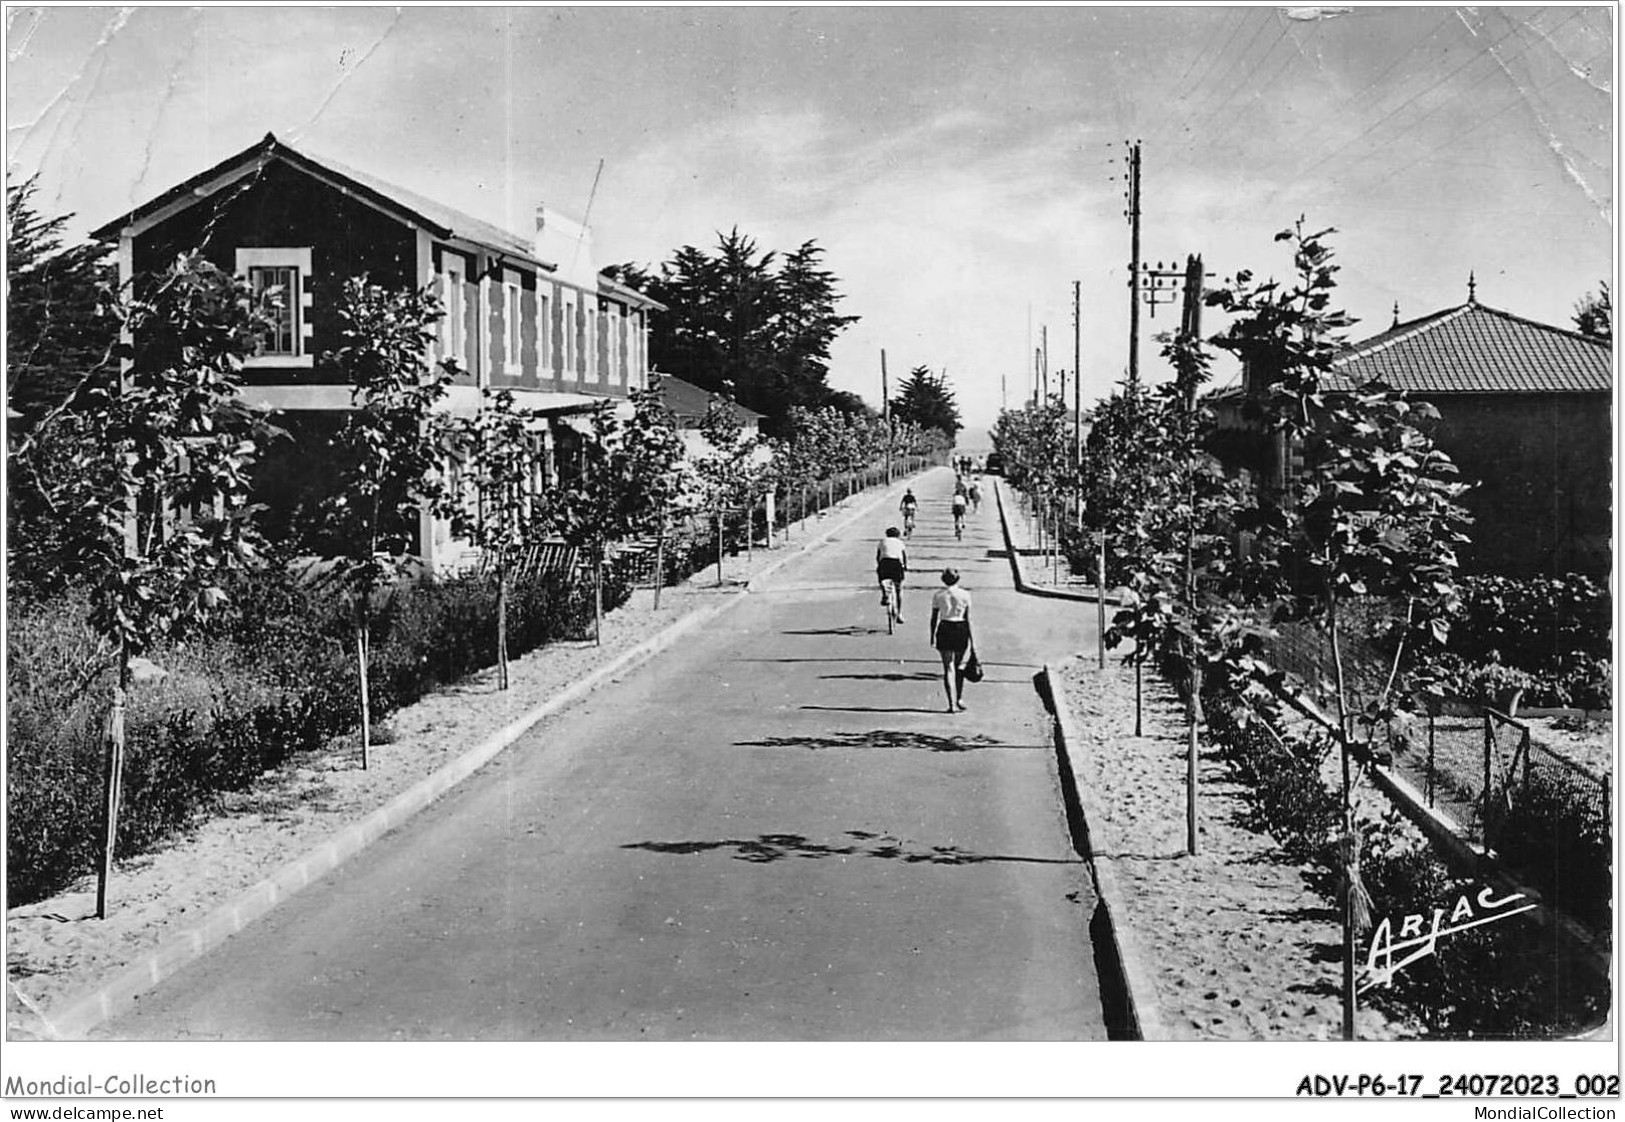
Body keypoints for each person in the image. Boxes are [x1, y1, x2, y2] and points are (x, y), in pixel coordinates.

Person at [929, 567, 974, 712]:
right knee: (959, 667)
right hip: (961, 628)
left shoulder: (938, 595)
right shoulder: (965, 595)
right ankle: (959, 698)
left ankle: (951, 704)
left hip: (945, 628)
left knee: (948, 668)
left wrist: (932, 636)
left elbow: (934, 618)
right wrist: (973, 641)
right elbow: (969, 618)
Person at [875, 526, 908, 622]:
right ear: (898, 535)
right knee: (899, 589)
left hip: (884, 563)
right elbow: (904, 557)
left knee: (882, 579)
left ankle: (884, 593)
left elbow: (878, 556)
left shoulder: (882, 541)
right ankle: (899, 614)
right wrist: (905, 566)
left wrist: (879, 565)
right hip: (896, 564)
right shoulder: (900, 542)